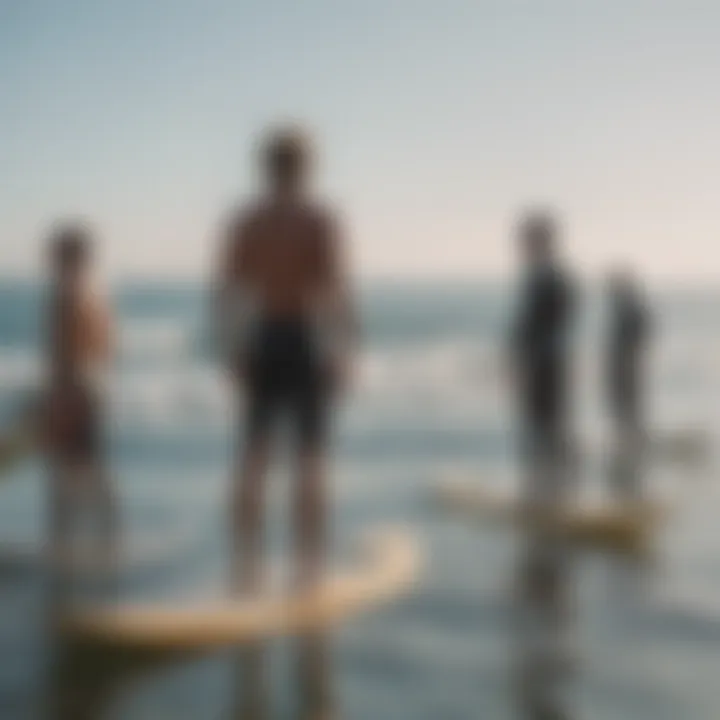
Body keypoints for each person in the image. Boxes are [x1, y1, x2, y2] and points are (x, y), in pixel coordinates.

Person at [212, 126, 358, 594]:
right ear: (307, 167)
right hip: (306, 339)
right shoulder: (319, 221)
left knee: (253, 454)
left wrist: (233, 349)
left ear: (264, 166)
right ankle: (307, 569)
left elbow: (227, 294)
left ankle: (246, 567)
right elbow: (335, 292)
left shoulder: (246, 222)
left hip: (262, 336)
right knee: (310, 458)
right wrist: (343, 351)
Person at [43, 224, 115, 585]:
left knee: (67, 476)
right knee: (88, 469)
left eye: (56, 254)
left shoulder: (66, 295)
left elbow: (59, 355)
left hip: (71, 389)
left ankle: (67, 552)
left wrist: (54, 398)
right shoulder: (95, 294)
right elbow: (107, 348)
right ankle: (107, 540)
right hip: (90, 387)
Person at [508, 211, 576, 501]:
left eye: (526, 240)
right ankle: (545, 492)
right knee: (540, 426)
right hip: (541, 363)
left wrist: (528, 358)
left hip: (547, 365)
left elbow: (544, 325)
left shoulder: (553, 278)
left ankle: (552, 495)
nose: (521, 247)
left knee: (548, 427)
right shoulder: (540, 277)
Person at [605, 269, 650, 446]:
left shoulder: (629, 308)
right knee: (622, 403)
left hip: (626, 363)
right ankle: (627, 439)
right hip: (622, 362)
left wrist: (629, 356)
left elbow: (637, 335)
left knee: (626, 403)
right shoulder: (623, 308)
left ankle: (632, 440)